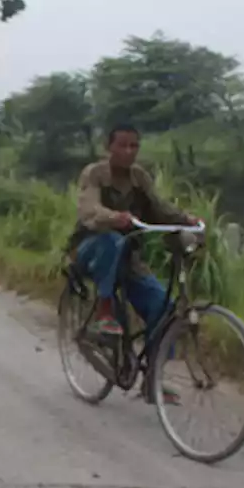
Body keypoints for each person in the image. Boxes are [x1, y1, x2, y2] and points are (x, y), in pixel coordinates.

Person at [69, 123, 200, 341]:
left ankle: (153, 369)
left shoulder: (139, 177)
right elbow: (89, 209)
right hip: (91, 251)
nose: (128, 151)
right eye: (122, 145)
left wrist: (187, 220)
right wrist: (115, 217)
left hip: (127, 257)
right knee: (111, 240)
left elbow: (159, 208)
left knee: (163, 308)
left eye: (134, 146)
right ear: (108, 147)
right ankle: (104, 311)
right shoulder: (95, 173)